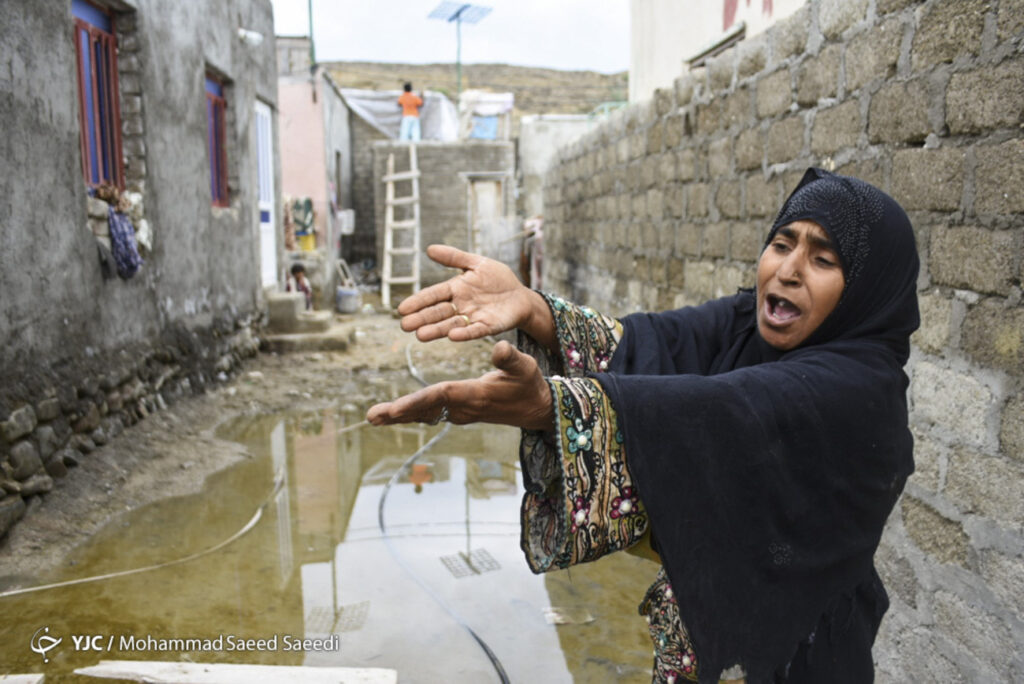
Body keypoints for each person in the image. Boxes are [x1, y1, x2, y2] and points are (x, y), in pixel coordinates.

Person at [367, 168, 920, 683]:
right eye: (781, 244)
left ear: (866, 289)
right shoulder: (746, 325)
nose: (788, 270)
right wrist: (533, 308)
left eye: (823, 260)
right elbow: (652, 344)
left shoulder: (860, 385)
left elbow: (726, 410)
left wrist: (550, 407)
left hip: (800, 655)